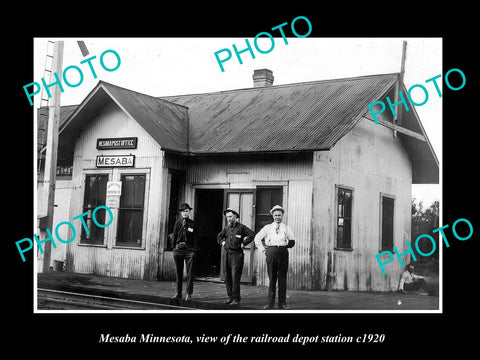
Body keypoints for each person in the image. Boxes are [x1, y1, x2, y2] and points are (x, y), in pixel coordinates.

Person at [254, 205, 295, 310]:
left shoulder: (286, 228)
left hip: (282, 253)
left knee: (282, 279)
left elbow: (292, 242)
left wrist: (286, 243)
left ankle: (282, 304)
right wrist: (263, 250)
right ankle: (270, 304)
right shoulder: (267, 228)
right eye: (276, 215)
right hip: (271, 253)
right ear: (272, 215)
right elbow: (257, 238)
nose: (277, 217)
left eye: (279, 215)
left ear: (282, 216)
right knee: (272, 279)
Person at [217, 208, 255, 307]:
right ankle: (230, 297)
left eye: (230, 216)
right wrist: (222, 242)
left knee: (235, 277)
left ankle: (236, 298)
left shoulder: (241, 228)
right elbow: (219, 236)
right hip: (227, 254)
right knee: (227, 277)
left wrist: (244, 243)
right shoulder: (226, 228)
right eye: (227, 217)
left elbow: (252, 234)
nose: (228, 219)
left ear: (235, 216)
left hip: (237, 255)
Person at [171, 203, 197, 301]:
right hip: (178, 249)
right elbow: (174, 235)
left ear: (189, 212)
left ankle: (188, 294)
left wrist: (194, 249)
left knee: (190, 273)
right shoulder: (177, 223)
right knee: (179, 272)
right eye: (183, 211)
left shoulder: (192, 223)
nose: (185, 213)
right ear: (181, 213)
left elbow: (195, 237)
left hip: (189, 249)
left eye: (186, 211)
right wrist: (174, 247)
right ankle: (178, 293)